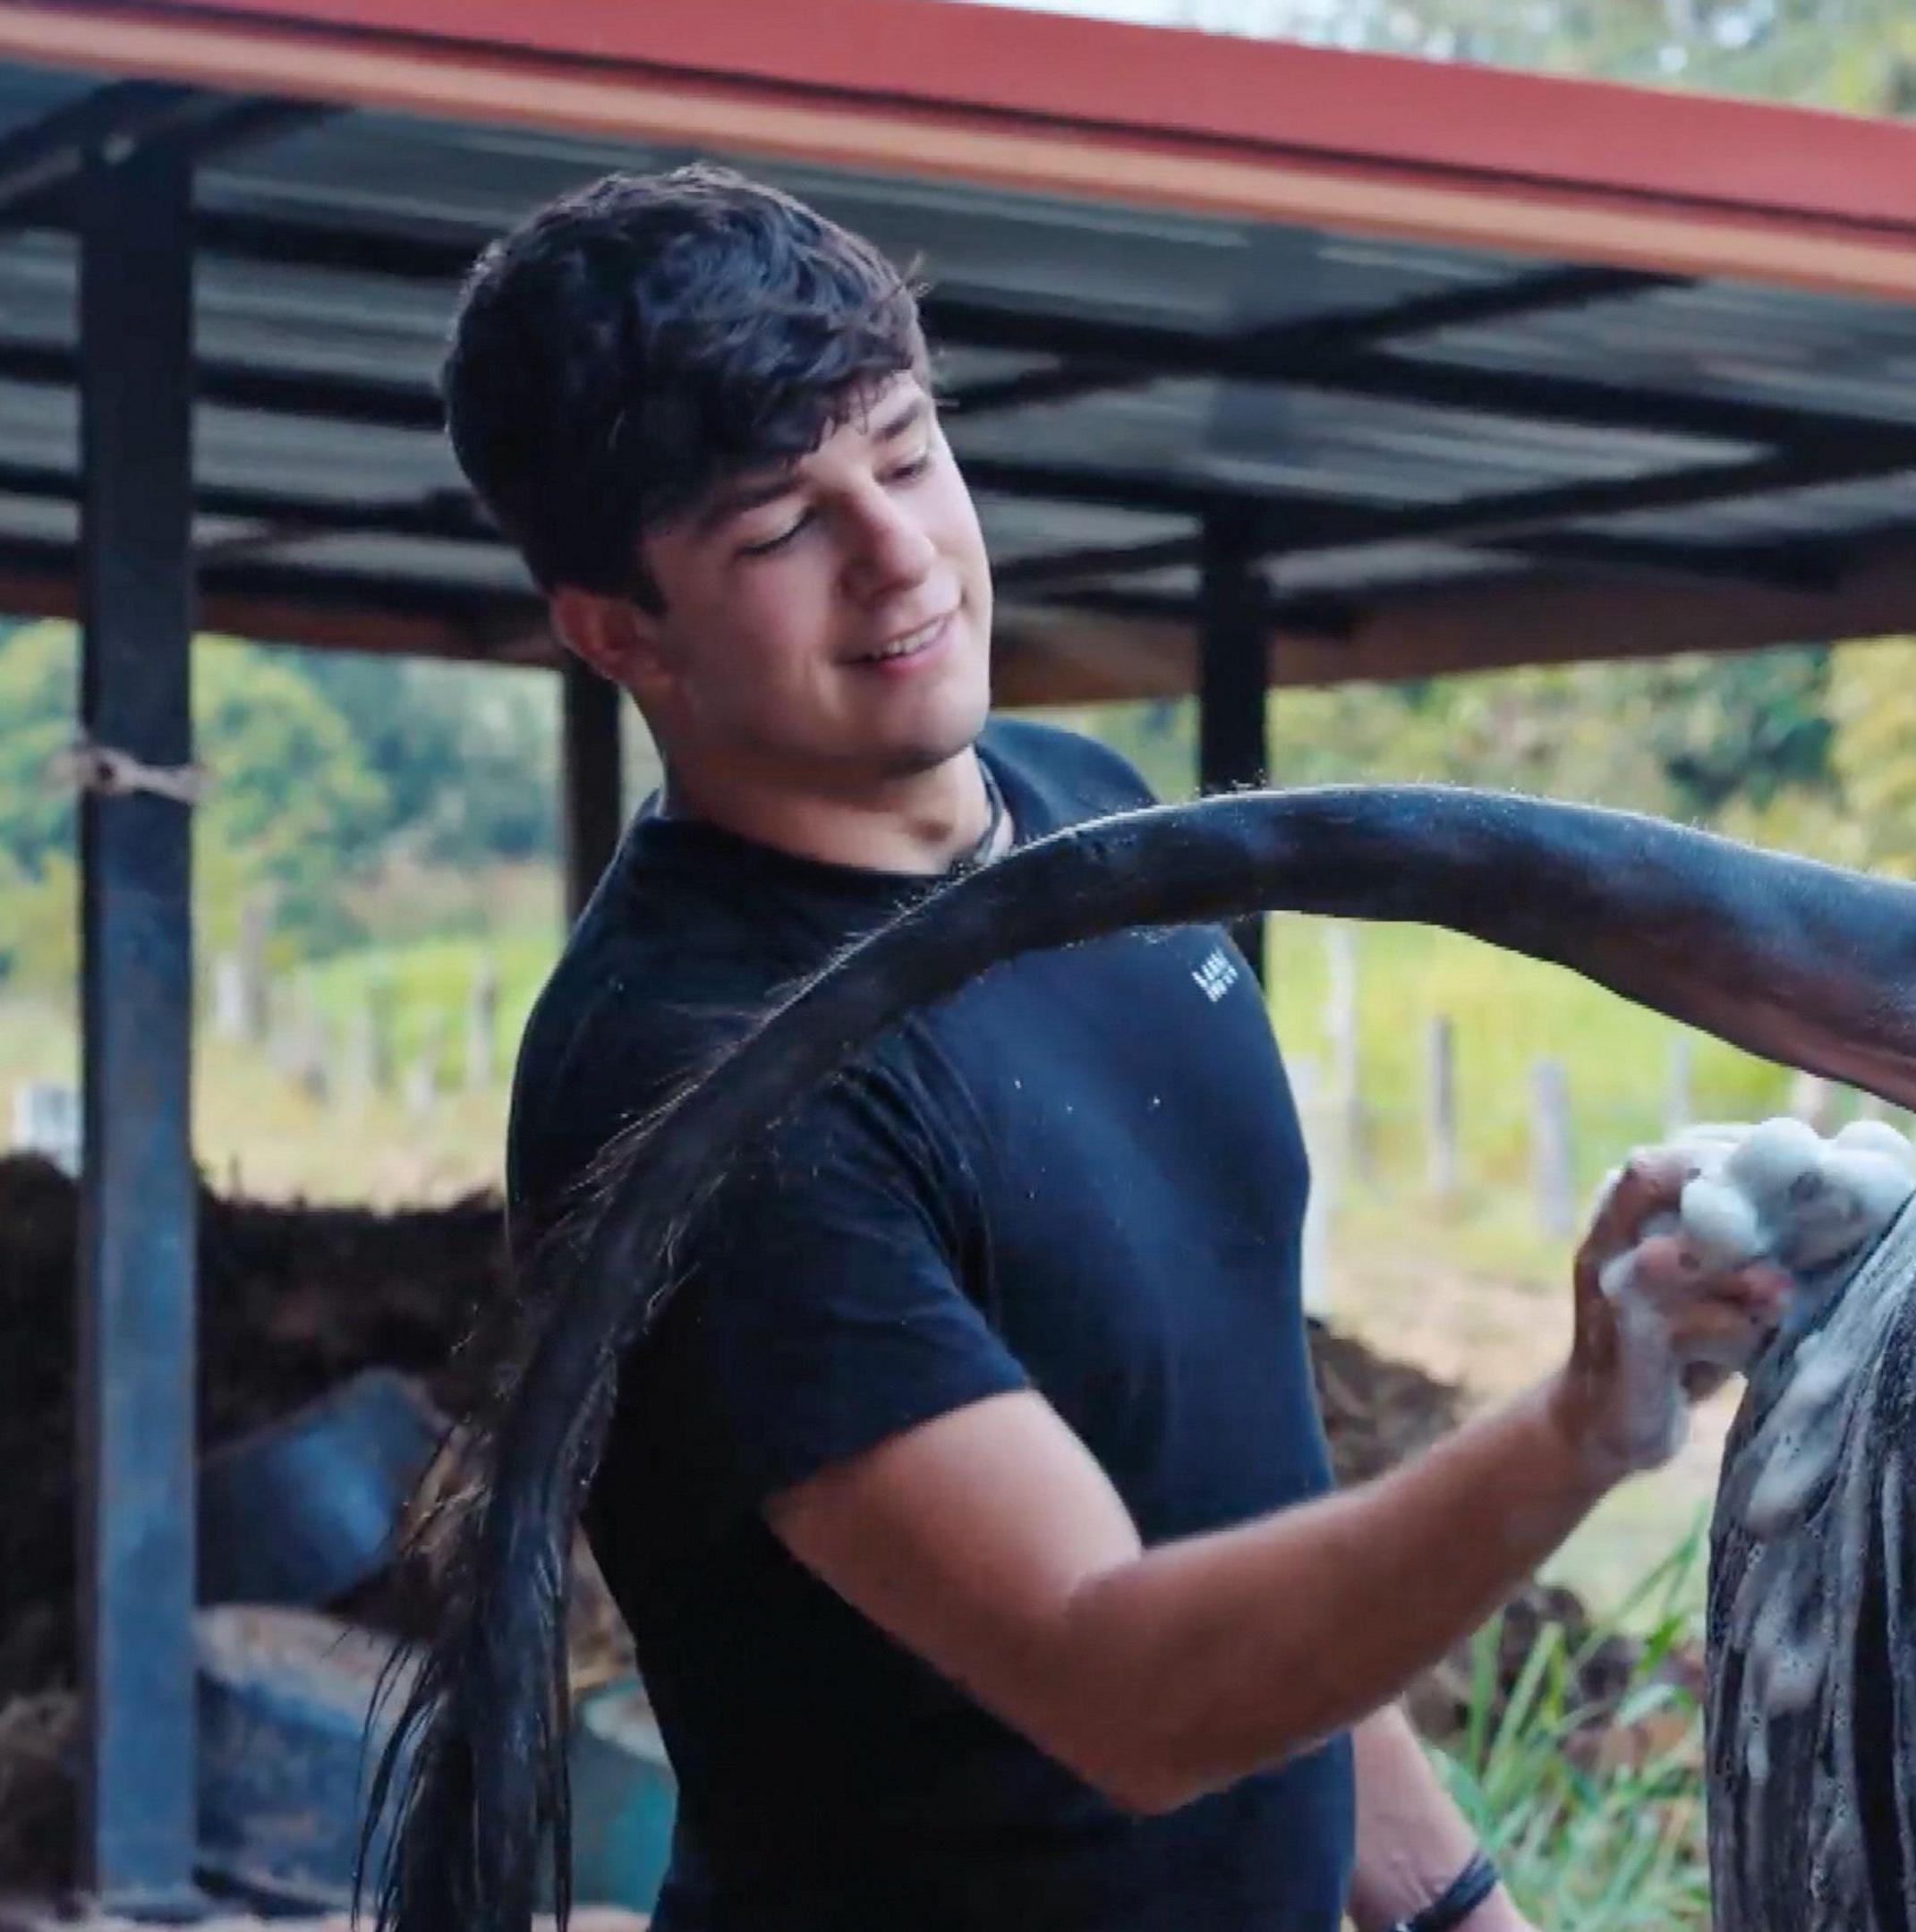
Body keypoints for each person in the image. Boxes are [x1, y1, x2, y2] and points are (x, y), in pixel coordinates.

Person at [460, 164, 1786, 1932]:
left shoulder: (1085, 831)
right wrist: (1576, 1431)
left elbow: (1227, 1497)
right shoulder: (699, 1082)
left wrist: (1458, 1907)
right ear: (616, 631)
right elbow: (1128, 1690)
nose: (900, 555)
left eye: (910, 454)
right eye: (781, 528)